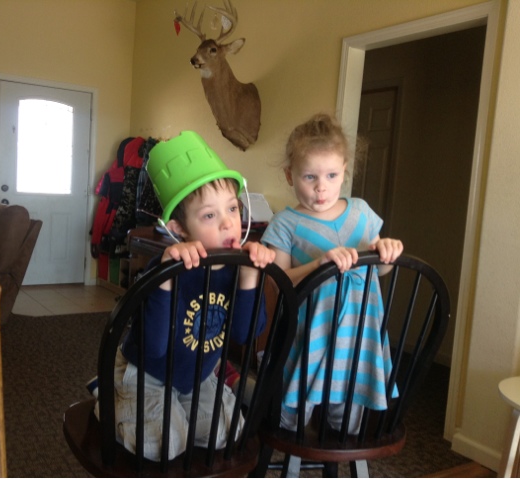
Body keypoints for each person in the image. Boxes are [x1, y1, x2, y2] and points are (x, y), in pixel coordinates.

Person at [95, 130, 275, 461]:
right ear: (179, 229)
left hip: (196, 375)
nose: (228, 224)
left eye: (232, 208)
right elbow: (153, 347)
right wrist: (166, 279)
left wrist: (251, 276)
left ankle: (175, 408)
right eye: (209, 215)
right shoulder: (165, 269)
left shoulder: (237, 266)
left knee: (227, 432)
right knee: (163, 445)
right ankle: (109, 396)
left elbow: (244, 334)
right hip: (146, 373)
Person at [261, 112, 404, 434]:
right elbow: (280, 282)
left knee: (346, 424)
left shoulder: (362, 213)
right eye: (309, 176)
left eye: (331, 175)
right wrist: (318, 265)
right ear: (290, 175)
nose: (321, 187)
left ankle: (338, 453)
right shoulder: (285, 223)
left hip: (358, 339)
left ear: (344, 172)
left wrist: (387, 252)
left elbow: (380, 270)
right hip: (309, 335)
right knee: (290, 419)